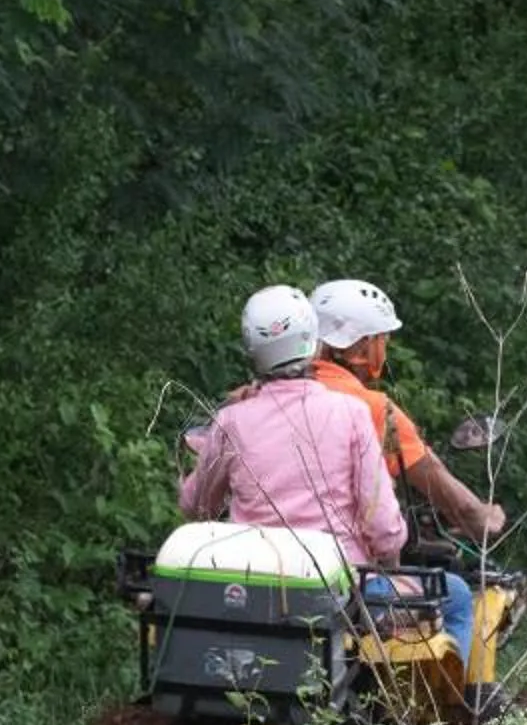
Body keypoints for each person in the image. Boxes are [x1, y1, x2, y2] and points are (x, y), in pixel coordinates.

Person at [301, 278, 502, 684]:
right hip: (343, 586)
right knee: (459, 597)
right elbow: (449, 498)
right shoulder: (373, 410)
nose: (383, 350)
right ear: (360, 348)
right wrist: (485, 518)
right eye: (382, 340)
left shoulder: (251, 399)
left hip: (262, 577)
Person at [179, 285, 408, 570]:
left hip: (253, 577)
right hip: (339, 584)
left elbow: (197, 506)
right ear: (314, 340)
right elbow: (382, 525)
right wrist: (388, 552)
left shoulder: (232, 421)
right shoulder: (352, 413)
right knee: (457, 595)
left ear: (252, 349)